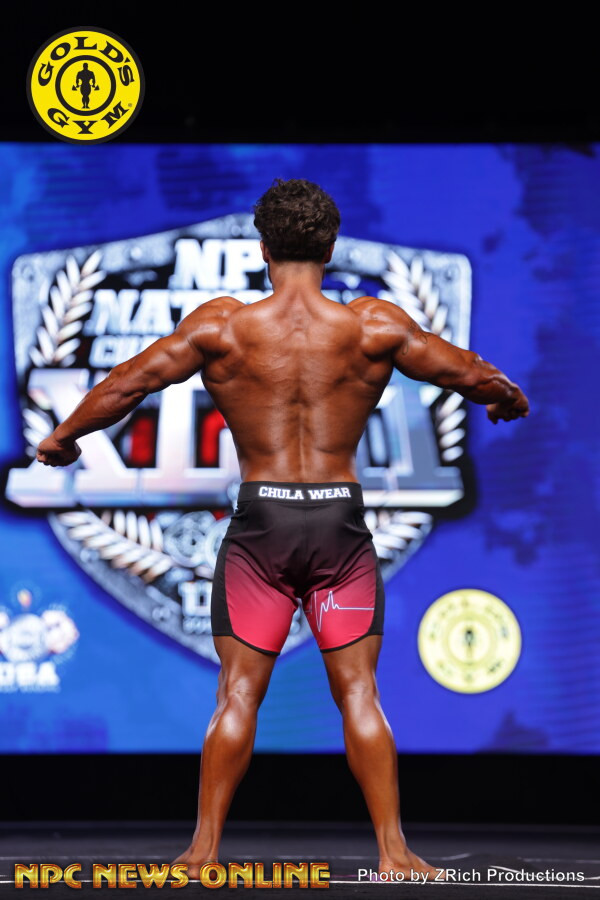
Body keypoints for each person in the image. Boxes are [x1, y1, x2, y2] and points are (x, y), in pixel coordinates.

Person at [36, 178, 529, 881]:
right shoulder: (373, 326)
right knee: (359, 694)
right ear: (331, 249)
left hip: (261, 527)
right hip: (339, 526)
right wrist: (506, 397)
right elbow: (469, 372)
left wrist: (64, 437)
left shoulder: (223, 327)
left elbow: (128, 383)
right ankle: (395, 854)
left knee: (238, 694)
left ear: (262, 248)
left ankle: (202, 853)